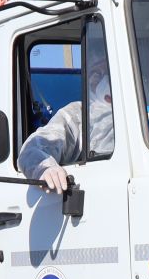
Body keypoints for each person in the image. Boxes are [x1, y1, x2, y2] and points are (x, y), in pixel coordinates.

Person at [19, 41, 116, 194]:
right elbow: (33, 148)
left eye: (110, 73)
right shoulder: (79, 114)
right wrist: (45, 169)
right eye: (97, 73)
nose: (105, 81)